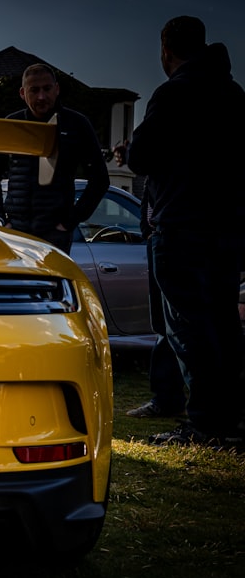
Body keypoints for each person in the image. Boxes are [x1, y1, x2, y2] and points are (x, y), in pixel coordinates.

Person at [127, 16, 245, 448]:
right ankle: (232, 418)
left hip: (180, 226)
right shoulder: (234, 94)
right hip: (229, 227)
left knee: (188, 327)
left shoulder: (173, 93)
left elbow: (140, 156)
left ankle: (205, 423)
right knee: (223, 324)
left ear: (166, 50)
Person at [0, 63, 110, 254]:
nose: (42, 96)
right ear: (23, 93)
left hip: (55, 233)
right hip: (15, 231)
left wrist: (69, 221)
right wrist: (2, 220)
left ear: (57, 89)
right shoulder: (12, 125)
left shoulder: (76, 124)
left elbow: (100, 179)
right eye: (34, 90)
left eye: (47, 89)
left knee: (52, 284)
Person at [126, 177, 187, 418]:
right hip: (159, 236)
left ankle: (199, 409)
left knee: (179, 326)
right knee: (164, 325)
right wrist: (148, 232)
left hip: (173, 236)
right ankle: (167, 399)